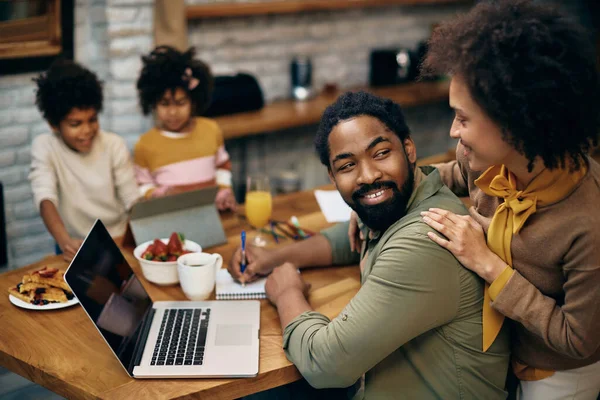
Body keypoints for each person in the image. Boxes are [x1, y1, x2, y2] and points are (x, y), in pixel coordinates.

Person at [350, 1, 600, 398]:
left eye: (463, 119)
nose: (453, 132)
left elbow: (579, 339)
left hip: (555, 377)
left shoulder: (588, 222)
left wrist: (490, 265)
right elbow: (450, 176)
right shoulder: (492, 163)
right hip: (502, 356)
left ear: (515, 124)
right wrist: (380, 199)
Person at [229, 91, 510, 399]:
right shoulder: (411, 194)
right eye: (348, 166)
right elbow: (347, 239)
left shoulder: (426, 239)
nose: (368, 175)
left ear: (409, 149)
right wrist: (272, 257)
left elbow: (325, 364)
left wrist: (287, 292)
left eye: (380, 154)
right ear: (332, 176)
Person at [29, 60, 140, 262]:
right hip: (73, 243)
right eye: (75, 123)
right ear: (54, 124)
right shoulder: (45, 147)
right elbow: (45, 198)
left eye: (92, 119)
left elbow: (132, 199)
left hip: (119, 239)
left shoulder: (114, 144)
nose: (87, 130)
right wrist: (65, 242)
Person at [134, 45, 236, 211]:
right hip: (169, 220)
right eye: (164, 104)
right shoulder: (145, 145)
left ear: (193, 101)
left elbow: (222, 166)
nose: (173, 112)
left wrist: (224, 189)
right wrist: (155, 194)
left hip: (212, 215)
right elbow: (142, 184)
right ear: (153, 104)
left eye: (180, 103)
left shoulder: (211, 130)